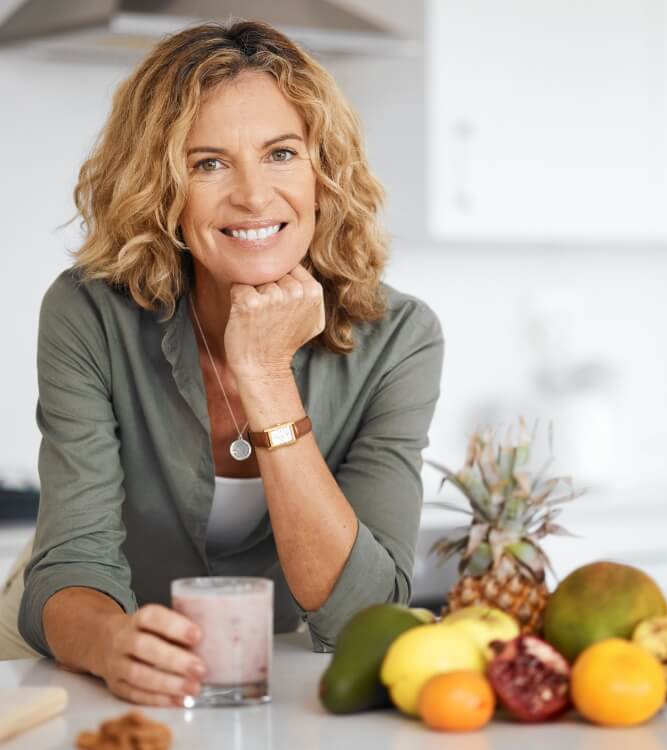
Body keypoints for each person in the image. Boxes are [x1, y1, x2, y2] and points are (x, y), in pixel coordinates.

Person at [5, 20, 443, 706]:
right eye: (207, 162)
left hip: (273, 670)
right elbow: (72, 562)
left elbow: (362, 614)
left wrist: (266, 380)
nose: (252, 196)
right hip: (91, 653)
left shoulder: (401, 337)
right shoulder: (88, 314)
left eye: (281, 154)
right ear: (162, 188)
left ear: (323, 171)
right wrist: (110, 643)